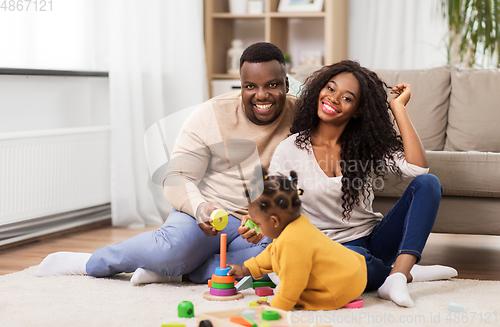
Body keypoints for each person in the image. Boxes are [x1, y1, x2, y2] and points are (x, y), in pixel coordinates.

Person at [36, 42, 297, 285]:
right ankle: (91, 262)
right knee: (172, 248)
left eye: (272, 85)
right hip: (211, 214)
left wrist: (268, 221)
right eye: (250, 86)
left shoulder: (302, 117)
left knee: (280, 255)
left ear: (286, 83)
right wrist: (200, 208)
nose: (262, 95)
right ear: (240, 86)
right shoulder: (212, 115)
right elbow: (177, 177)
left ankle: (175, 268)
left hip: (260, 226)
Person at [268, 60, 457, 308]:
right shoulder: (290, 149)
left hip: (371, 239)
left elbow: (418, 168)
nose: (334, 98)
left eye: (347, 98)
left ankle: (397, 274)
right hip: (329, 252)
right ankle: (402, 273)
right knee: (344, 264)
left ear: (357, 110)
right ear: (318, 91)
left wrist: (397, 107)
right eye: (330, 88)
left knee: (428, 184)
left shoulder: (363, 144)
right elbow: (274, 206)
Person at [228, 167, 366, 311]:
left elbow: (292, 283)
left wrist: (276, 306)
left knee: (298, 294)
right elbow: (272, 253)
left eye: (259, 223)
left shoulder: (291, 243)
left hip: (342, 285)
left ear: (274, 221)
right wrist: (246, 269)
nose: (258, 228)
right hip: (354, 268)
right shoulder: (297, 224)